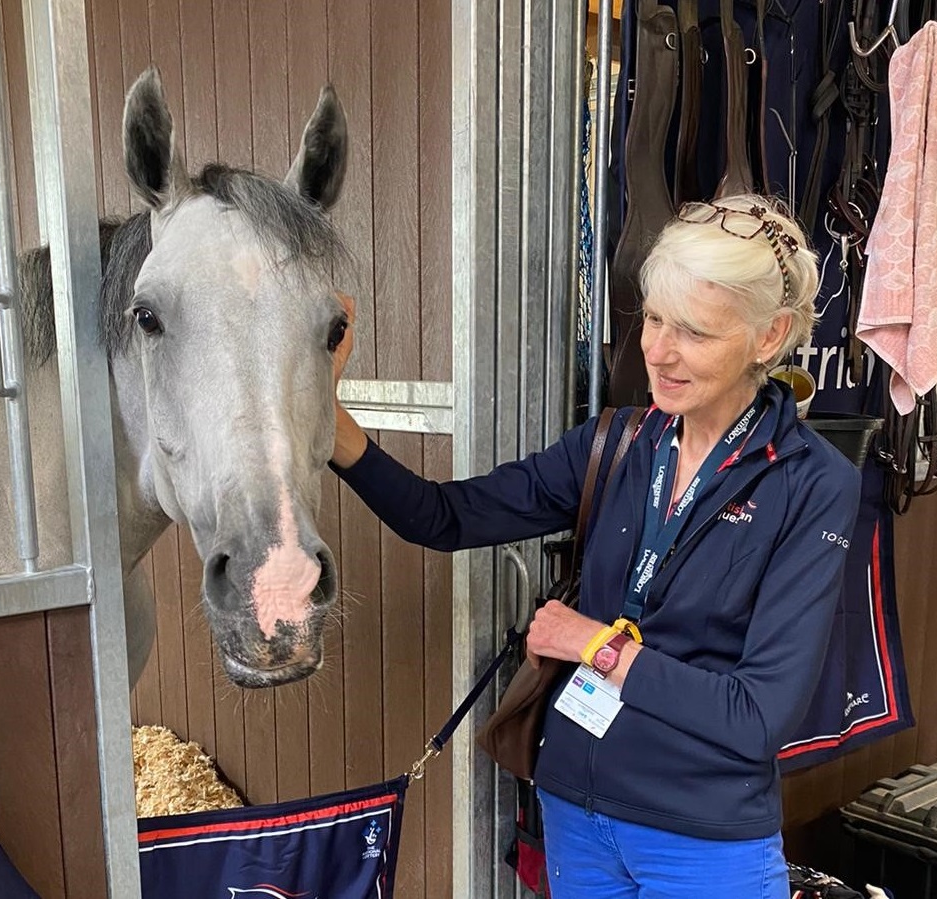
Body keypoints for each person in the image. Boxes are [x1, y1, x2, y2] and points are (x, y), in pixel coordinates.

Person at [329, 194, 861, 899]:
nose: (658, 352)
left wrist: (594, 645)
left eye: (694, 332)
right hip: (574, 812)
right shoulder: (618, 443)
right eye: (653, 317)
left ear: (769, 337)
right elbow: (443, 517)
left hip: (699, 839)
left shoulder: (813, 483)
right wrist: (330, 426)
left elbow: (758, 714)